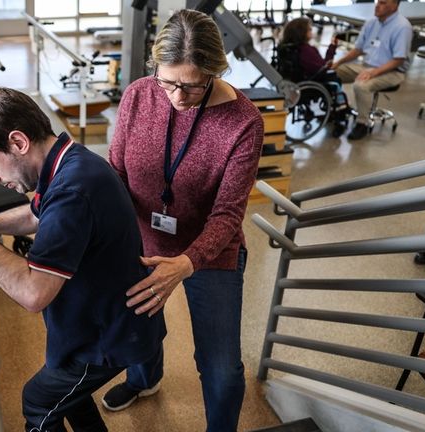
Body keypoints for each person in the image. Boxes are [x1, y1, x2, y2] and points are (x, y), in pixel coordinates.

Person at [0, 87, 166, 432]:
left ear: (18, 142)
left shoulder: (72, 189)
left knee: (39, 401)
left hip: (104, 337)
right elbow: (36, 215)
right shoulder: (67, 161)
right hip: (95, 322)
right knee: (67, 397)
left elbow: (33, 293)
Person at [102, 10, 264, 432]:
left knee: (222, 368)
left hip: (209, 251)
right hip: (142, 239)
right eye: (168, 81)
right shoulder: (139, 95)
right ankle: (144, 380)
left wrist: (187, 262)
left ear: (213, 71)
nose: (177, 95)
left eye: (191, 84)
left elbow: (228, 213)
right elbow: (116, 173)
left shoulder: (244, 123)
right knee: (138, 326)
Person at [329, 0, 412, 140]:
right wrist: (338, 63)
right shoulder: (371, 23)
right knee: (331, 73)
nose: (377, 5)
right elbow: (358, 50)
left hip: (392, 72)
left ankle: (362, 124)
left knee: (360, 85)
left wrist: (373, 72)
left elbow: (399, 60)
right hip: (367, 66)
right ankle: (336, 111)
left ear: (394, 6)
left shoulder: (402, 27)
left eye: (383, 3)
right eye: (378, 2)